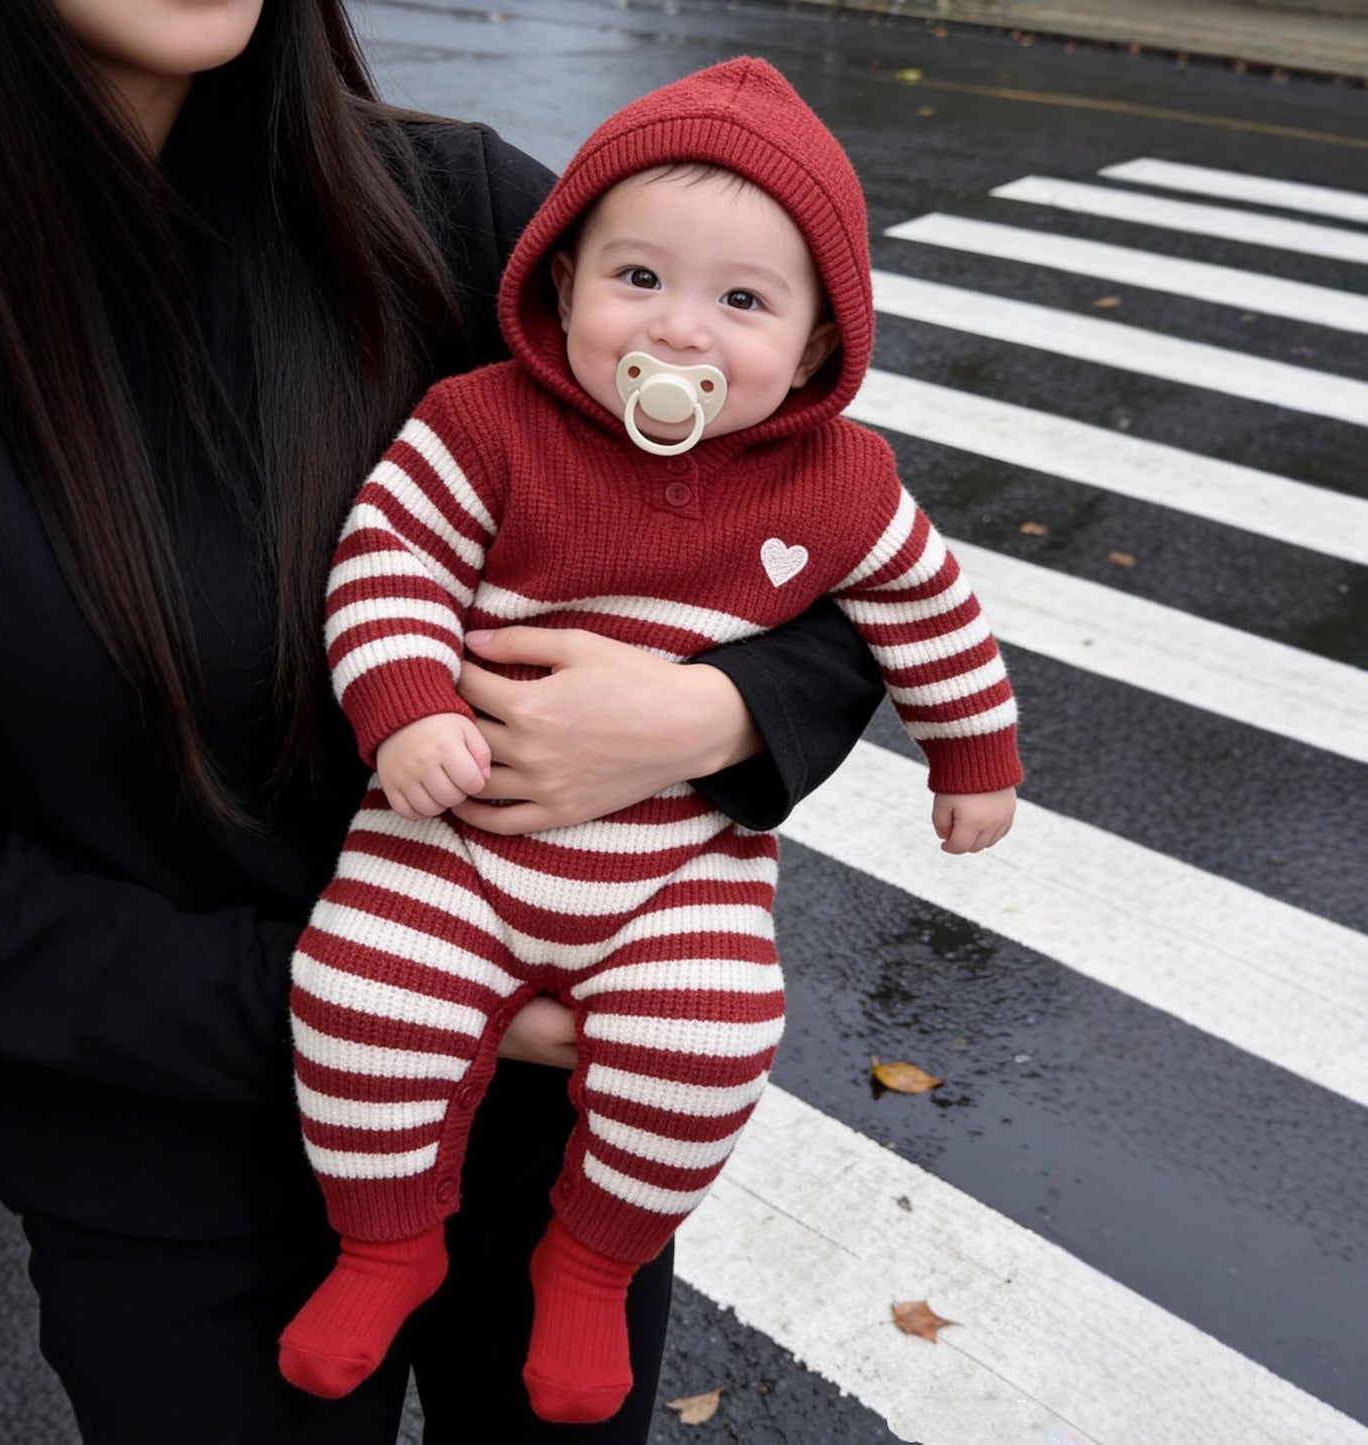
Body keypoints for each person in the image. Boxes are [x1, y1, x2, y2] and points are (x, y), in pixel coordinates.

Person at [0, 4, 892, 1442]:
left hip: (551, 1167)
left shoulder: (455, 217)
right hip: (166, 1174)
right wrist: (390, 1002)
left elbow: (821, 532)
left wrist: (711, 712)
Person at [277, 57, 1022, 1426]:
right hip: (452, 836)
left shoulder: (839, 481)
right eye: (636, 279)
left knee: (709, 1040)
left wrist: (974, 757)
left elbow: (929, 610)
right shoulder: (483, 422)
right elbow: (385, 562)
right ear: (560, 286)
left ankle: (590, 1262)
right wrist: (407, 707)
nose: (677, 331)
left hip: (678, 864)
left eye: (740, 301)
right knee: (358, 998)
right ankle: (383, 1240)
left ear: (811, 348)